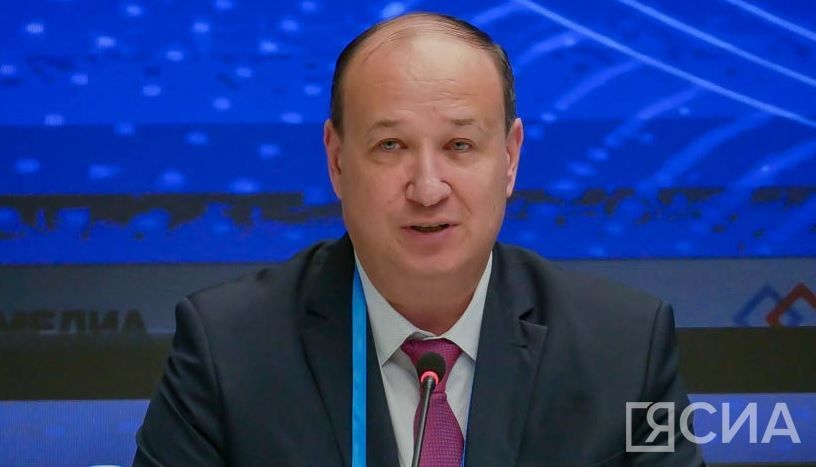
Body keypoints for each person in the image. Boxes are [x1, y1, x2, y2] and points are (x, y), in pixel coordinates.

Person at [133, 12, 704, 467]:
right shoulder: (227, 349)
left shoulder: (627, 346)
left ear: (510, 158)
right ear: (337, 160)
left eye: (460, 146)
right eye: (391, 146)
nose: (428, 189)